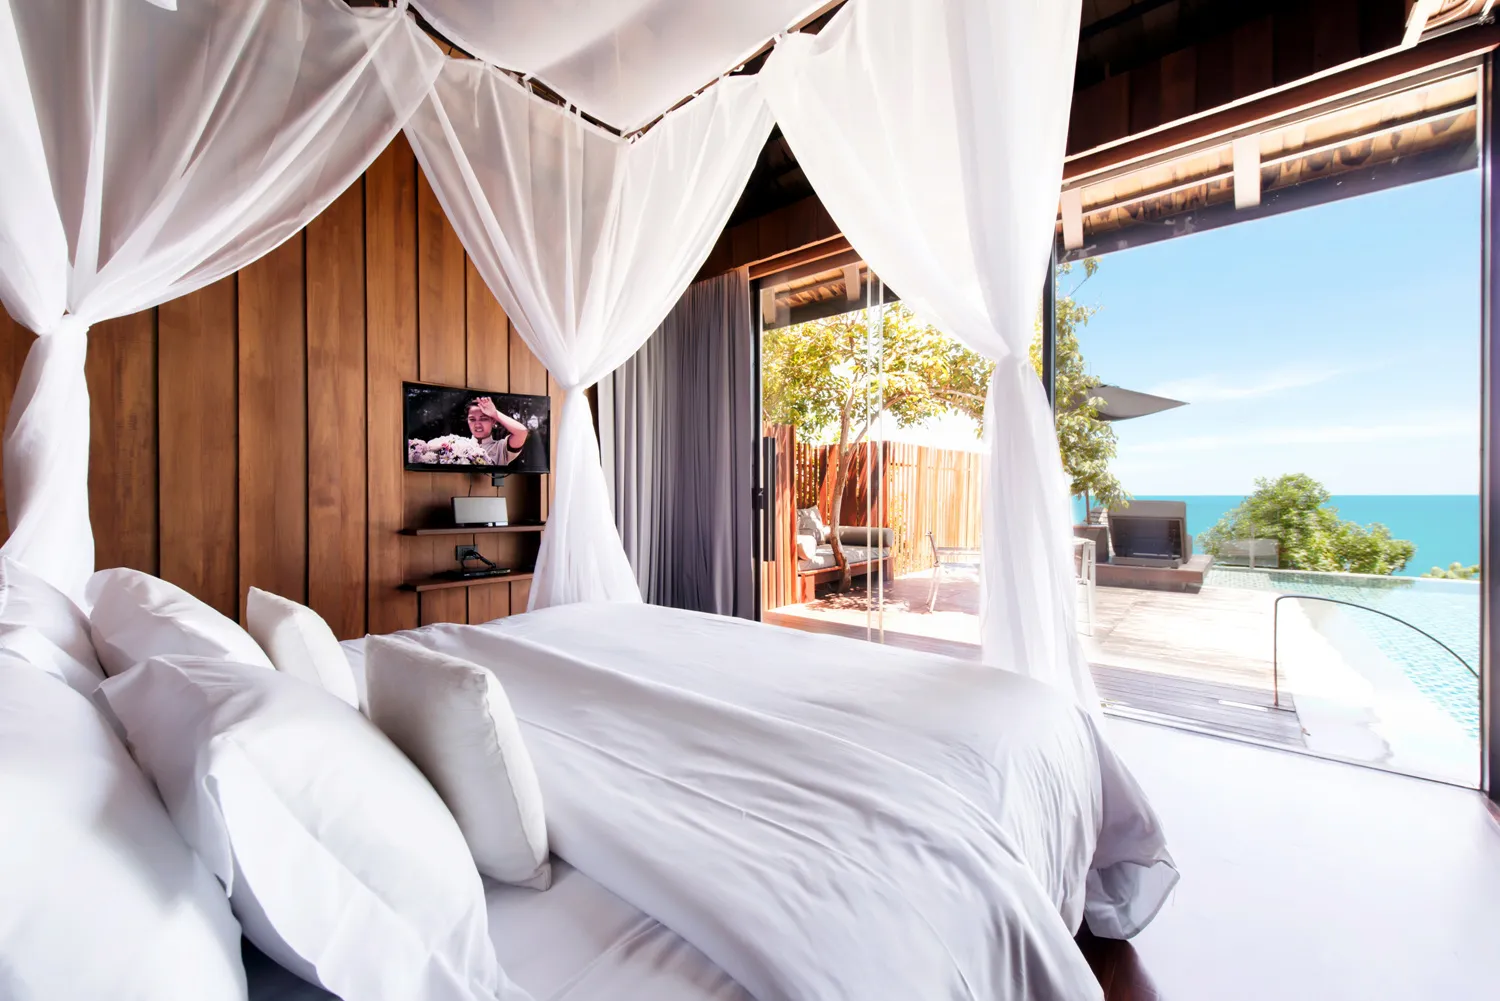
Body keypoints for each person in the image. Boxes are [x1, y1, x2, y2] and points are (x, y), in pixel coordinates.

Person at [465, 396, 529, 466]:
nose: (477, 424)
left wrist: (495, 413)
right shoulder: (459, 445)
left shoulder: (501, 448)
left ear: (493, 421)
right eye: (472, 419)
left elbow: (522, 432)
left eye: (483, 419)